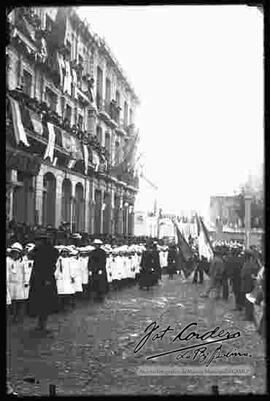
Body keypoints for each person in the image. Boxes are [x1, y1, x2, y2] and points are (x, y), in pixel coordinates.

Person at [28, 231, 59, 332]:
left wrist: (47, 279)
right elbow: (30, 256)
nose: (36, 243)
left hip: (46, 279)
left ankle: (43, 323)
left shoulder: (50, 251)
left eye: (38, 241)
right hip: (37, 278)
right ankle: (40, 323)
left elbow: (51, 266)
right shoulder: (37, 250)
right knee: (38, 302)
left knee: (45, 302)